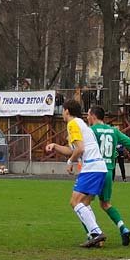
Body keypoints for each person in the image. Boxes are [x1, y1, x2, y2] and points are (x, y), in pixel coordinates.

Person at [45, 99, 107, 248]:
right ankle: (95, 236)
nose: (62, 114)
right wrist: (55, 146)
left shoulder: (72, 124)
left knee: (75, 202)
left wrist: (70, 162)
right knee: (84, 203)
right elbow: (73, 150)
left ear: (66, 110)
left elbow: (79, 150)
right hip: (99, 167)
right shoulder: (81, 124)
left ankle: (96, 232)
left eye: (63, 110)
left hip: (91, 167)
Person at [87, 105, 130, 246]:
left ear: (93, 116)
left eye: (88, 114)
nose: (87, 117)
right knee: (106, 204)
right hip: (109, 171)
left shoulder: (91, 131)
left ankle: (93, 234)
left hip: (95, 171)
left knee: (82, 203)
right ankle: (123, 228)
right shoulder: (113, 131)